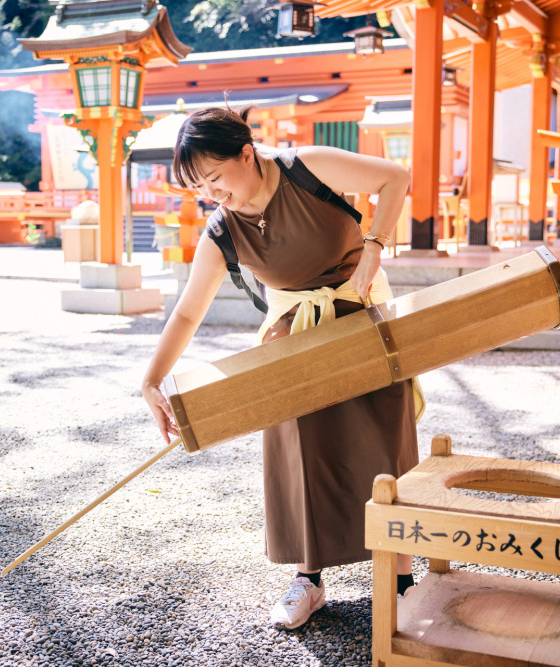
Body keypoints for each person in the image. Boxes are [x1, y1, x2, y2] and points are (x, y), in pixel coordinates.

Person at [141, 106, 423, 630]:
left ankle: (402, 580)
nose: (211, 192)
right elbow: (187, 310)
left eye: (215, 177)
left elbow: (394, 177)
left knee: (386, 445)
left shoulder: (304, 167)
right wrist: (151, 380)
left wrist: (374, 248)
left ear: (246, 153)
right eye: (199, 185)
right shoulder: (222, 228)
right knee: (301, 452)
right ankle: (309, 580)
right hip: (293, 338)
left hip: (362, 318)